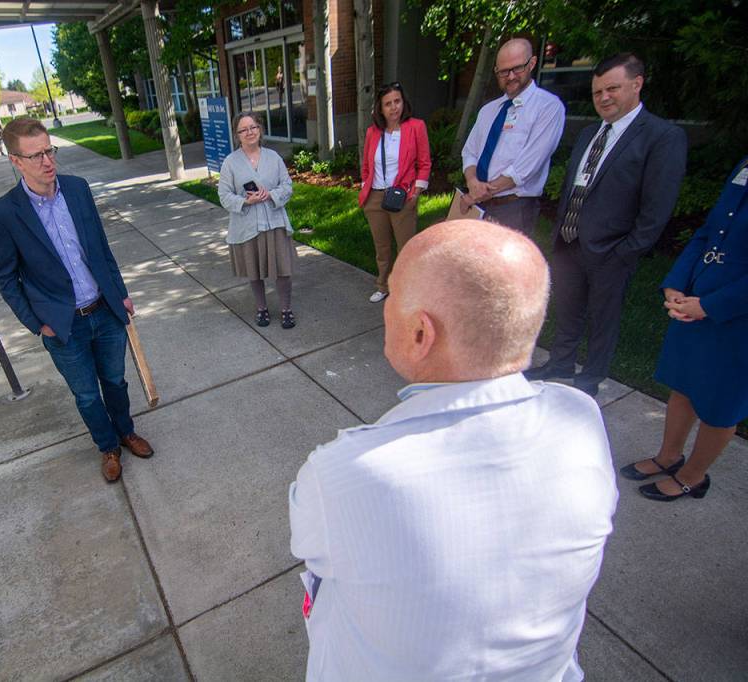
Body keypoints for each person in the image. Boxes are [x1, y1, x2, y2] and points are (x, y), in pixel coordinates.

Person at [289, 219, 617, 681]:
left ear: (422, 334)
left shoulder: (347, 472)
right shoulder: (580, 418)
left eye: (392, 296)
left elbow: (315, 554)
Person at [0, 118, 154, 483]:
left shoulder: (78, 190)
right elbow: (5, 278)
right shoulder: (3, 215)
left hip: (105, 310)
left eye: (49, 151)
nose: (47, 161)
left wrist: (120, 293)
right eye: (36, 156)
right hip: (63, 325)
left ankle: (126, 432)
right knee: (87, 396)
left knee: (115, 381)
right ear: (16, 161)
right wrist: (37, 324)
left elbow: (100, 248)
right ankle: (108, 447)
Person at [526, 53, 687, 396]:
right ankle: (560, 363)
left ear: (637, 83)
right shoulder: (588, 134)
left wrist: (626, 252)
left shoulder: (661, 137)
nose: (604, 98)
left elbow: (656, 209)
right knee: (567, 309)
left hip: (611, 251)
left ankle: (589, 380)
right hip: (569, 242)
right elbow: (575, 186)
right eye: (598, 91)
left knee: (603, 320)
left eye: (612, 88)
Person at [619, 156, 748, 501]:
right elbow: (709, 233)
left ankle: (693, 476)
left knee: (721, 403)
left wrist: (709, 306)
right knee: (684, 385)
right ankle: (668, 456)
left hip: (736, 319)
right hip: (696, 302)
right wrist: (676, 285)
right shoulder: (743, 165)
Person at [461, 38, 565, 235]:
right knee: (475, 264)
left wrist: (479, 193)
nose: (510, 77)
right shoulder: (488, 110)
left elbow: (525, 168)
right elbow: (469, 152)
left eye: (517, 68)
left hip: (513, 209)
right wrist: (472, 182)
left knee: (506, 266)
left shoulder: (548, 107)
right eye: (503, 72)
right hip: (479, 205)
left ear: (532, 63)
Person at [218, 111, 297, 329]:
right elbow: (224, 195)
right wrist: (245, 201)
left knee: (283, 268)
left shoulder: (274, 157)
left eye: (252, 127)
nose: (249, 132)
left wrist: (270, 195)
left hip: (274, 221)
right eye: (243, 129)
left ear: (260, 129)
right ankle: (261, 308)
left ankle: (286, 309)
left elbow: (287, 186)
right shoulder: (230, 162)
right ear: (237, 135)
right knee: (255, 270)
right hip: (247, 225)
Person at [358, 81, 431, 303]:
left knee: (406, 247)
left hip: (402, 196)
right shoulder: (373, 132)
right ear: (380, 108)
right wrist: (365, 186)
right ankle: (383, 285)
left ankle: (409, 289)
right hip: (375, 197)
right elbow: (367, 166)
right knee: (382, 248)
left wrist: (416, 191)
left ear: (403, 102)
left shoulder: (416, 127)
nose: (393, 107)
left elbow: (424, 163)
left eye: (397, 101)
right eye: (387, 104)